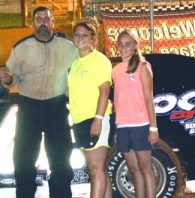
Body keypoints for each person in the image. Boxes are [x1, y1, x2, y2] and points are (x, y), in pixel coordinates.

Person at [0, 6, 78, 198]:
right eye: (38, 18)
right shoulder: (21, 48)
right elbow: (11, 80)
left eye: (46, 18)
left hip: (57, 107)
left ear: (53, 23)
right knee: (23, 162)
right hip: (29, 108)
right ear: (32, 23)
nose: (42, 22)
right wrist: (7, 78)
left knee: (61, 161)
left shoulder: (68, 47)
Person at [67, 17, 112, 198]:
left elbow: (105, 91)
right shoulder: (75, 63)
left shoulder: (99, 60)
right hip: (79, 120)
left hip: (96, 120)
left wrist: (98, 119)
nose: (80, 38)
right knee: (99, 169)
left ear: (93, 38)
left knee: (96, 170)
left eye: (85, 34)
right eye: (77, 35)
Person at [112, 29, 159, 198]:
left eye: (128, 44)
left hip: (141, 124)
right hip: (123, 126)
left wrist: (153, 128)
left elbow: (148, 98)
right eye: (121, 44)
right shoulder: (116, 70)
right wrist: (118, 127)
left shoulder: (143, 66)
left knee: (145, 167)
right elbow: (118, 100)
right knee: (134, 169)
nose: (123, 47)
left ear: (135, 46)